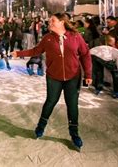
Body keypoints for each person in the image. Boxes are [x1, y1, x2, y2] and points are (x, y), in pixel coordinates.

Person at [13, 13, 92, 151]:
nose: (50, 22)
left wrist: (88, 74)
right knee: (50, 101)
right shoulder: (48, 38)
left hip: (73, 76)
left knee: (72, 104)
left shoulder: (75, 36)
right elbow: (36, 50)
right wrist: (18, 54)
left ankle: (74, 133)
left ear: (62, 22)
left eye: (53, 20)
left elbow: (85, 54)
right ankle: (40, 127)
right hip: (54, 76)